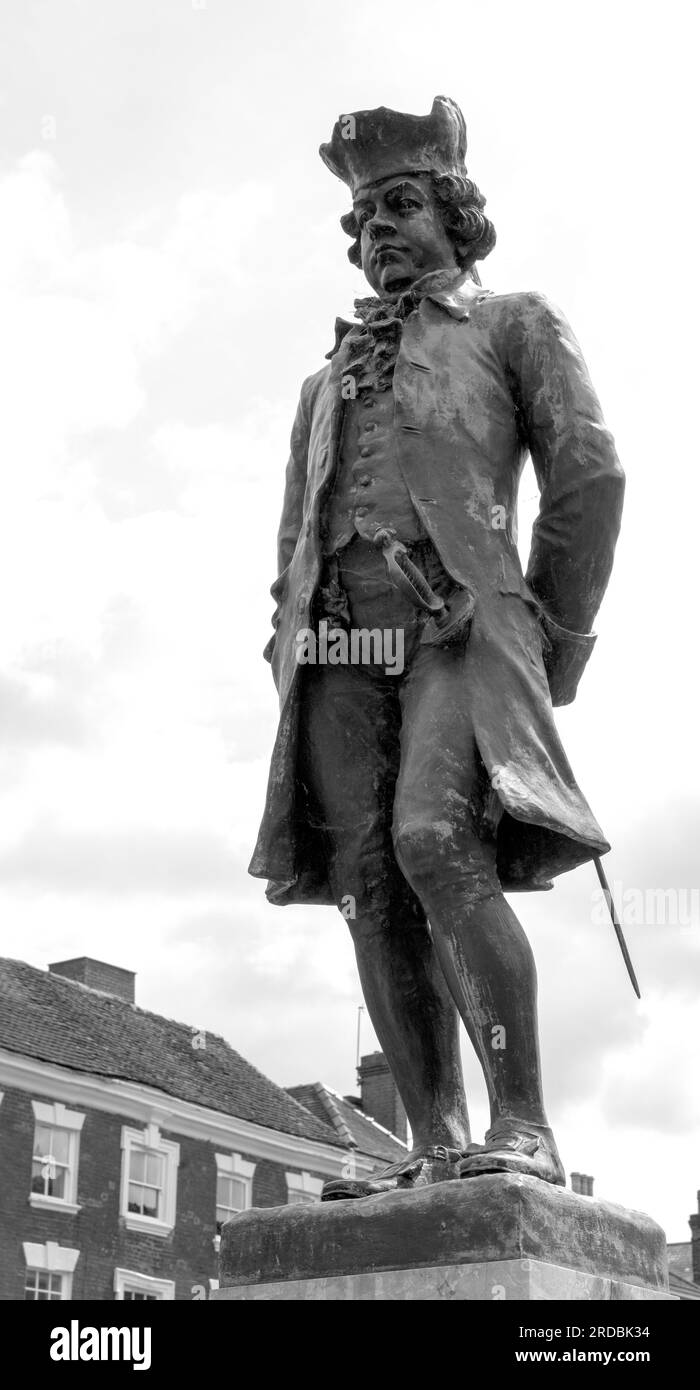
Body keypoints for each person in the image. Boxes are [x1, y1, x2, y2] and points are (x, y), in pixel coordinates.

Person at [249, 96, 625, 1197]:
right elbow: (294, 533)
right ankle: (430, 1143)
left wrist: (543, 635)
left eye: (401, 206)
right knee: (367, 881)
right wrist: (290, 635)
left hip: (457, 632)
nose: (377, 235)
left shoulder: (515, 323)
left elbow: (589, 479)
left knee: (431, 839)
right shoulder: (322, 384)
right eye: (361, 222)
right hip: (336, 652)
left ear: (458, 215)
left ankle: (525, 1125)